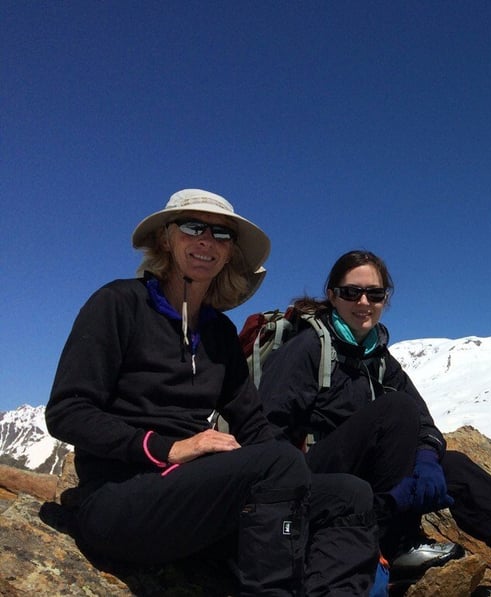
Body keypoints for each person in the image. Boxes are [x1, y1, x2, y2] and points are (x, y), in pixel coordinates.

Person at [46, 189, 379, 596]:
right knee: (278, 465)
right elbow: (67, 411)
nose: (206, 240)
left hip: (193, 499)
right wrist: (167, 448)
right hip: (119, 500)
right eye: (192, 227)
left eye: (221, 234)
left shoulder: (219, 332)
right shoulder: (118, 304)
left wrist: (297, 487)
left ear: (229, 253)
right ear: (166, 238)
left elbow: (255, 425)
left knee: (350, 495)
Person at [257, 249, 491, 597]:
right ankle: (399, 543)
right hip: (311, 481)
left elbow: (425, 424)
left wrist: (427, 458)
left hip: (365, 481)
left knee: (454, 466)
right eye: (352, 292)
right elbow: (264, 428)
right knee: (396, 410)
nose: (364, 303)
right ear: (333, 295)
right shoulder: (308, 348)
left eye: (375, 293)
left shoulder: (382, 362)